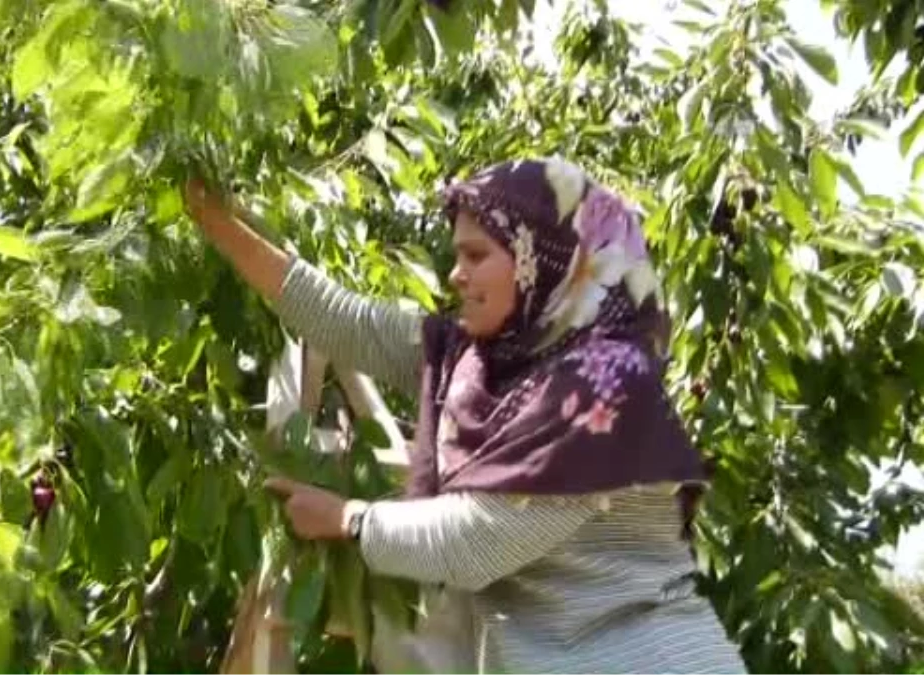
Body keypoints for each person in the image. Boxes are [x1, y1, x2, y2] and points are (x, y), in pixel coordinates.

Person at [184, 157, 746, 674]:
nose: (455, 274)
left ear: (542, 263)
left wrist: (350, 518)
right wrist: (219, 223)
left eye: (476, 255)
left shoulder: (603, 387)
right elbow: (348, 322)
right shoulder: (483, 364)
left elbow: (478, 539)